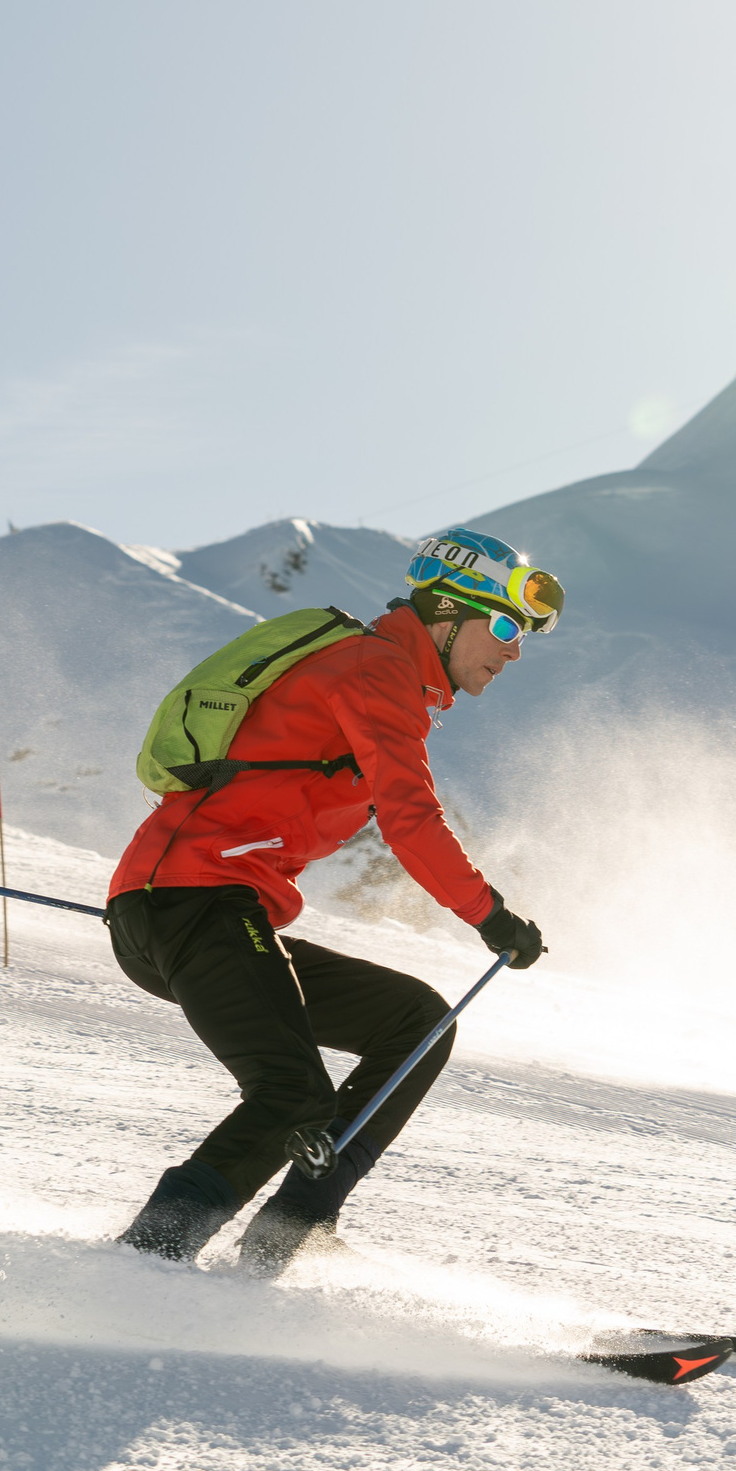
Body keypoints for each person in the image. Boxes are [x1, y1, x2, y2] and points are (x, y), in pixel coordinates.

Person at [105, 527, 561, 1275]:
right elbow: (411, 816)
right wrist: (490, 914)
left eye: (524, 636)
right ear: (447, 615)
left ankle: (290, 1229)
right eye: (505, 626)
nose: (513, 650)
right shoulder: (375, 669)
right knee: (290, 1095)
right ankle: (146, 1263)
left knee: (414, 1024)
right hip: (188, 900)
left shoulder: (391, 678)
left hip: (218, 909)